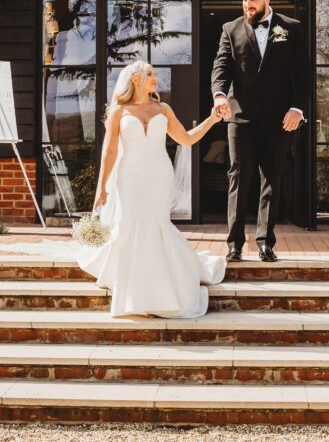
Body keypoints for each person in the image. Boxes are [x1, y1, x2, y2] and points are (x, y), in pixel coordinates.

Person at [86, 60, 226, 318]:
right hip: (129, 177)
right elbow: (109, 150)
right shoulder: (118, 111)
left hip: (160, 176)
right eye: (149, 73)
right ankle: (137, 295)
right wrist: (102, 187)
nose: (154, 77)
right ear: (135, 79)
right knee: (133, 227)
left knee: (157, 225)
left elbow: (186, 139)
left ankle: (159, 290)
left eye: (153, 73)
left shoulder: (163, 108)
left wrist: (211, 119)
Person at [211, 0, 309, 262]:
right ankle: (235, 244)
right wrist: (219, 95)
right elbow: (221, 67)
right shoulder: (230, 30)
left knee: (272, 179)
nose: (247, 4)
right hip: (241, 117)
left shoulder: (291, 28)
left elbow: (303, 74)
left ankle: (266, 242)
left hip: (279, 119)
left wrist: (297, 108)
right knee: (238, 178)